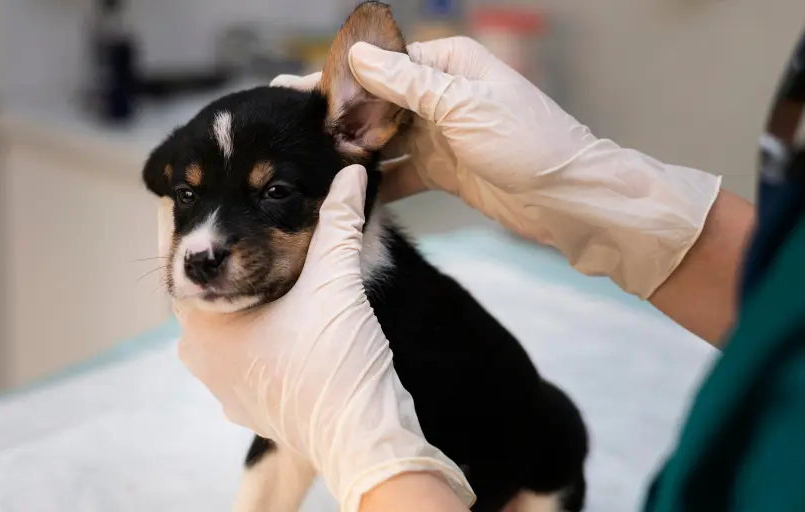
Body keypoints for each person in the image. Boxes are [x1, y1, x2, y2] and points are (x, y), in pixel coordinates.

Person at [166, 33, 805, 512]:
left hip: (523, 474)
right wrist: (604, 196)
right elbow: (788, 304)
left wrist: (379, 463)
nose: (204, 242)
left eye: (273, 192)